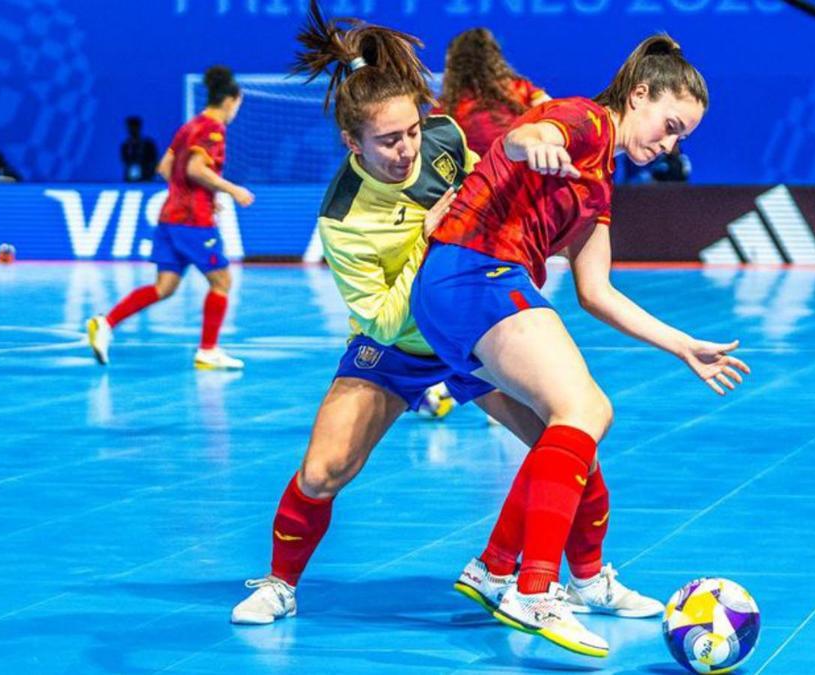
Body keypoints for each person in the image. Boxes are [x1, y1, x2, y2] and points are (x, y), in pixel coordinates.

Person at [228, 1, 654, 630]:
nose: (407, 150)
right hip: (397, 346)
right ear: (353, 143)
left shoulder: (447, 140)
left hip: (474, 330)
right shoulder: (342, 219)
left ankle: (589, 580)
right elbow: (376, 316)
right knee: (323, 472)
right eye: (388, 141)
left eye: (412, 131)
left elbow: (491, 202)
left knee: (567, 440)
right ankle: (280, 584)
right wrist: (433, 237)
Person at [411, 35, 750, 656]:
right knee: (587, 411)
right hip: (475, 274)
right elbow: (522, 137)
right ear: (639, 94)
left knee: (564, 445)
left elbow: (597, 292)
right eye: (670, 126)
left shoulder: (600, 181)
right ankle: (535, 590)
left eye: (682, 139)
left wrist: (682, 346)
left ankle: (507, 571)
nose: (669, 145)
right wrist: (535, 143)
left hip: (451, 295)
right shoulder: (586, 121)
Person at [86, 65, 254, 369]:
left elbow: (165, 168)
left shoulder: (189, 126)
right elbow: (194, 170)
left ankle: (106, 323)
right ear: (230, 100)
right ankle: (208, 350)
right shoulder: (213, 131)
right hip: (192, 221)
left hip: (170, 217)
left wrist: (196, 193)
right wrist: (230, 191)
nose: (237, 110)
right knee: (222, 280)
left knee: (165, 287)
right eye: (239, 104)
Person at [436, 27, 550, 157]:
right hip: (516, 170)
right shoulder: (521, 88)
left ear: (452, 64)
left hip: (475, 174)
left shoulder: (444, 107)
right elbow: (557, 113)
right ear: (495, 58)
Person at [121, 116, 160, 182]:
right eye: (130, 127)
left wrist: (149, 172)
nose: (132, 130)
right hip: (129, 178)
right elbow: (124, 160)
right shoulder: (126, 145)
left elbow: (154, 161)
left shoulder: (148, 144)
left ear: (139, 127)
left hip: (146, 178)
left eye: (134, 127)